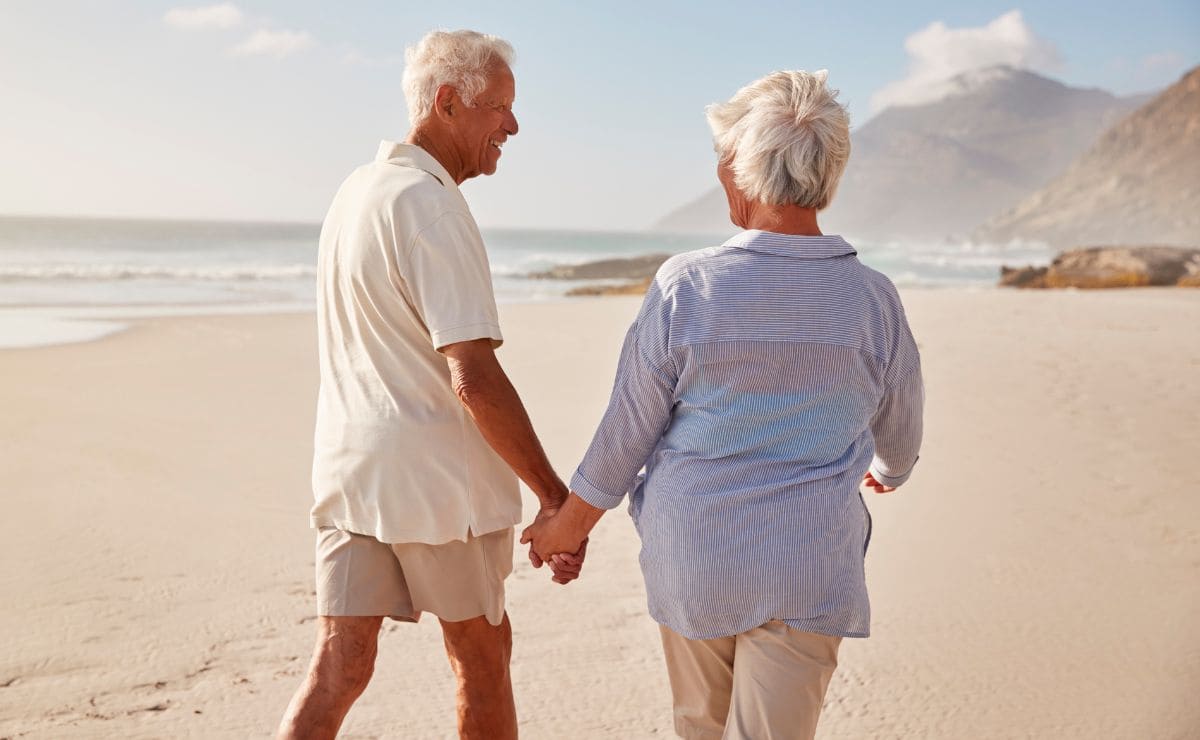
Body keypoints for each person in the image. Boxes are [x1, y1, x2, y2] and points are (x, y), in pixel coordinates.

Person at [522, 69, 924, 740]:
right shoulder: (872, 299)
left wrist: (566, 529)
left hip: (698, 555)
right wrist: (892, 468)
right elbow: (902, 432)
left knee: (699, 728)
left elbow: (627, 437)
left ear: (740, 171)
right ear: (830, 174)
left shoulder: (688, 286)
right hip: (808, 562)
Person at [277, 30, 583, 740]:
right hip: (438, 491)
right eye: (499, 108)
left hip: (351, 477)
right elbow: (473, 375)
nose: (512, 125)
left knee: (339, 665)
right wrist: (554, 497)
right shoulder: (432, 205)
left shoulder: (356, 192)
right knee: (482, 658)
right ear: (448, 103)